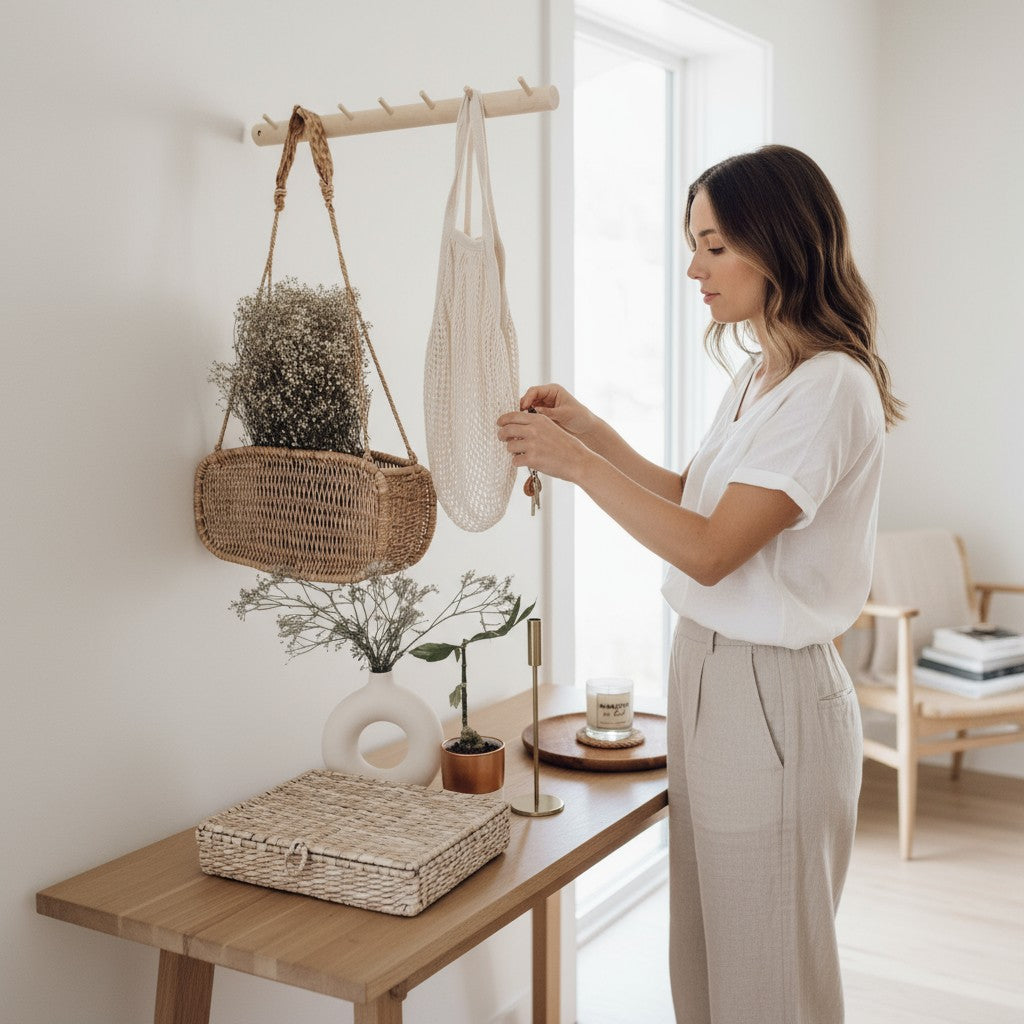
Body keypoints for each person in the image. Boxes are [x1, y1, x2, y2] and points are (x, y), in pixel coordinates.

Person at [496, 144, 903, 1024]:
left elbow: (714, 551)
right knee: (708, 965)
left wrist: (573, 467)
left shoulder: (832, 387)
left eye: (714, 246)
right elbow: (697, 498)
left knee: (770, 982)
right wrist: (591, 432)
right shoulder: (763, 374)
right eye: (694, 244)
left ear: (779, 242)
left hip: (773, 692)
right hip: (710, 672)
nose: (695, 267)